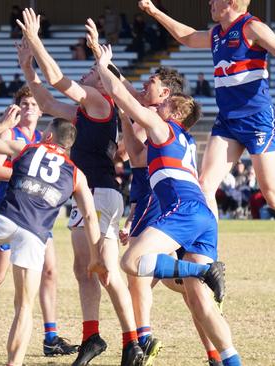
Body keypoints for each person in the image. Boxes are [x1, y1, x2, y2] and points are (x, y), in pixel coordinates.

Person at [138, 0, 275, 285]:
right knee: (204, 186)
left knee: (273, 196)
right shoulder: (218, 33)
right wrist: (155, 12)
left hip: (257, 121)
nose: (209, 3)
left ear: (230, 2)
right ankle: (208, 259)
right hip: (228, 122)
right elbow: (186, 36)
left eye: (215, 0)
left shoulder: (252, 27)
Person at [95, 43, 239, 366]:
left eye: (164, 105)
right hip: (203, 214)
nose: (156, 107)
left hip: (184, 211)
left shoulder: (163, 128)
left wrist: (105, 65)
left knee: (131, 262)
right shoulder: (183, 140)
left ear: (172, 111)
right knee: (200, 301)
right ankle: (231, 361)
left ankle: (203, 271)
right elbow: (137, 156)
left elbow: (124, 94)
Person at [17, 10, 144, 365]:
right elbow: (45, 101)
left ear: (103, 82)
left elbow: (56, 78)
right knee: (85, 268)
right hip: (89, 193)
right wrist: (28, 66)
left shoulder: (100, 101)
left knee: (103, 267)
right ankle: (94, 337)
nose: (86, 73)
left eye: (91, 71)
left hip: (101, 191)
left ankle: (132, 342)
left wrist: (36, 39)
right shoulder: (85, 112)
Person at [0, 116, 98, 366]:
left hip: (5, 218)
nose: (41, 133)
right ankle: (14, 363)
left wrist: (5, 124)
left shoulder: (28, 148)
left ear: (50, 137)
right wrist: (96, 258)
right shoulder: (77, 174)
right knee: (24, 307)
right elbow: (91, 217)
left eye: (45, 131)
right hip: (34, 234)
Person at [0, 88, 77, 358]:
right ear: (16, 108)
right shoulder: (10, 134)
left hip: (36, 215)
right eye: (24, 103)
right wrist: (30, 177)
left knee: (49, 272)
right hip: (10, 210)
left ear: (41, 111)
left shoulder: (43, 138)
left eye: (34, 104)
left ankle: (50, 336)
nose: (29, 108)